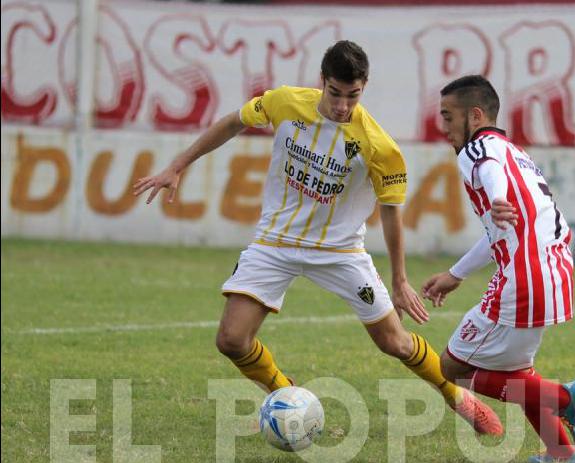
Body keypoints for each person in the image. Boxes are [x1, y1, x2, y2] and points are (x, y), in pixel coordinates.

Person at [133, 41, 502, 436]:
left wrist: (399, 281)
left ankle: (460, 400)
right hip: (275, 243)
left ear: (364, 88)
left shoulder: (379, 147)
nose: (343, 106)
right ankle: (286, 397)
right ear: (322, 81)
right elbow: (233, 122)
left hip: (340, 252)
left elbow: (391, 213)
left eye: (353, 96)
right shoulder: (285, 103)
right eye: (336, 94)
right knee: (231, 340)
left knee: (395, 342)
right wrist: (177, 166)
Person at [421, 75, 575, 463]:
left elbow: (490, 169)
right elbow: (499, 228)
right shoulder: (516, 152)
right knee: (517, 370)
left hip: (524, 276)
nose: (444, 127)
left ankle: (566, 397)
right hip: (552, 268)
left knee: (452, 366)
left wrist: (496, 197)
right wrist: (457, 273)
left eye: (449, 117)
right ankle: (562, 452)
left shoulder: (479, 149)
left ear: (475, 115)